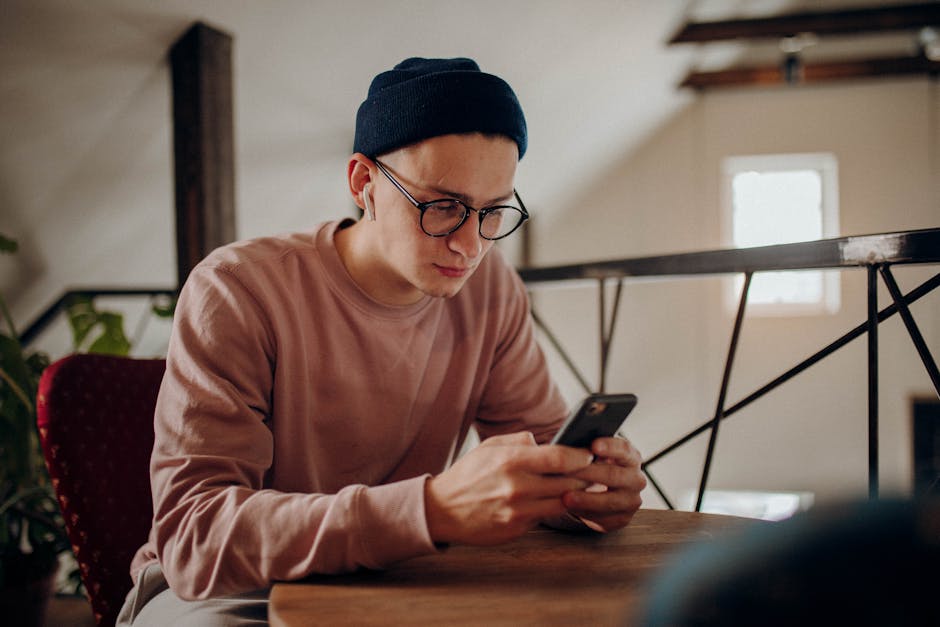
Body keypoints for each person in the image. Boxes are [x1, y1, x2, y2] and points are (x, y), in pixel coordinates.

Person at [117, 57, 646, 626]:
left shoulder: (491, 290)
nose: (470, 246)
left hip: (405, 576)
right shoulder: (239, 288)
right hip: (230, 594)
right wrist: (431, 510)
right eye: (442, 206)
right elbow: (197, 540)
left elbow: (542, 448)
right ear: (363, 183)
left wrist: (584, 492)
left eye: (493, 212)